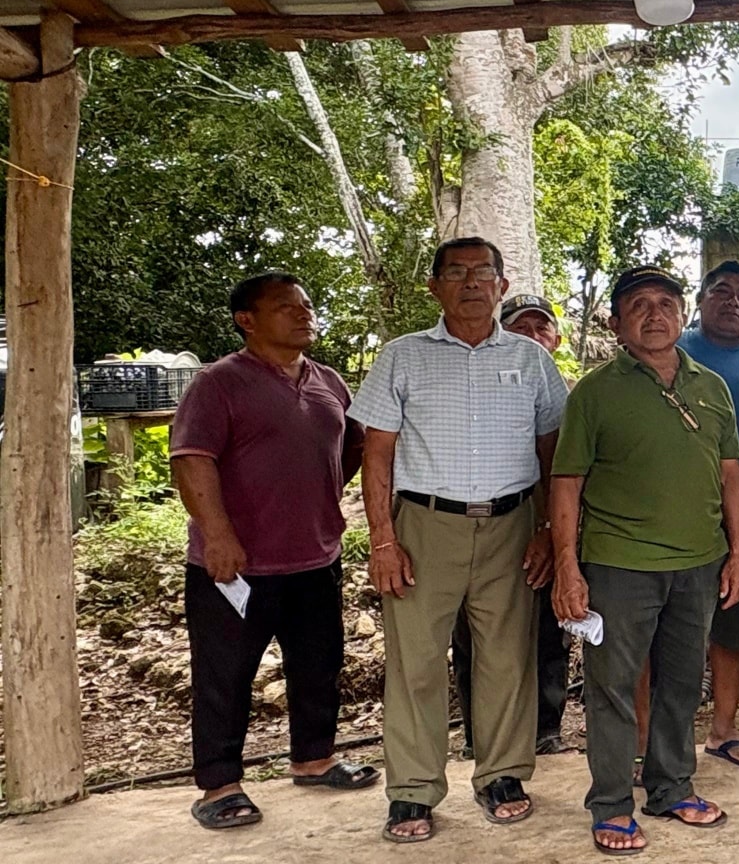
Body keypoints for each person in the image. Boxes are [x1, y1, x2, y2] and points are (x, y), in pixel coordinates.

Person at [351, 238, 568, 844]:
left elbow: (553, 453)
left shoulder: (532, 360)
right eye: (456, 272)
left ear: (502, 285)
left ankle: (501, 775)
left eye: (483, 272)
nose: (472, 283)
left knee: (508, 657)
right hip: (424, 526)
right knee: (416, 662)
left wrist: (549, 530)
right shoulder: (403, 356)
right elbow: (377, 454)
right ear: (435, 286)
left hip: (512, 525)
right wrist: (383, 540)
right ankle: (413, 789)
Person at [550, 265, 739, 855]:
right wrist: (567, 565)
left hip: (699, 563)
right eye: (639, 305)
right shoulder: (595, 392)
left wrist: (738, 551)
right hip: (619, 564)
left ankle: (671, 787)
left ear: (682, 315)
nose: (655, 314)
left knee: (682, 684)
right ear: (616, 324)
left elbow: (731, 473)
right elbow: (566, 481)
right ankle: (612, 805)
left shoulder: (712, 386)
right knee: (612, 687)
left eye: (666, 303)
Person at [171, 273, 376, 830]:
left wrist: (321, 497)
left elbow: (354, 447)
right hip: (236, 564)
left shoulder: (328, 381)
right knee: (225, 674)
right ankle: (220, 785)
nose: (304, 314)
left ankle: (314, 759)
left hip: (316, 556)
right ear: (247, 320)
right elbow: (192, 459)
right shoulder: (218, 383)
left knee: (319, 664)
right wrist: (217, 533)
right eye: (287, 307)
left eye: (307, 305)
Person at [451, 293, 573, 759]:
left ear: (556, 339)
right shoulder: (474, 388)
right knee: (475, 634)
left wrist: (554, 531)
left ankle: (545, 730)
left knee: (548, 628)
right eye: (521, 328)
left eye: (542, 328)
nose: (534, 336)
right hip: (483, 527)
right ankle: (479, 738)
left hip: (550, 526)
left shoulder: (572, 396)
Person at [675, 261, 739, 769]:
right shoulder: (670, 352)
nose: (732, 301)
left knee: (732, 628)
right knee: (668, 631)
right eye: (721, 291)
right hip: (673, 519)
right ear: (700, 300)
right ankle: (655, 741)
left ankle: (723, 729)